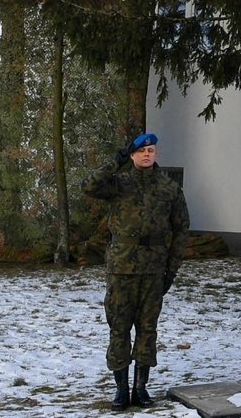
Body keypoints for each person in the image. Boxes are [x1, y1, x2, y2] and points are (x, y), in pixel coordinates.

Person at [83, 132, 190, 411]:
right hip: (122, 268)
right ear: (131, 155)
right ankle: (121, 389)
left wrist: (172, 270)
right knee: (119, 328)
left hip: (154, 269)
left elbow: (181, 230)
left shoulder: (169, 189)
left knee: (147, 329)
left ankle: (140, 387)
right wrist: (112, 164)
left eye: (151, 150)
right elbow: (88, 187)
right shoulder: (118, 184)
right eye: (141, 151)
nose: (147, 155)